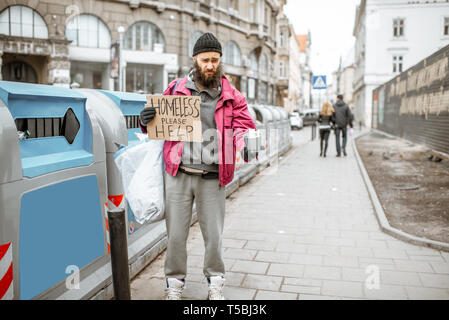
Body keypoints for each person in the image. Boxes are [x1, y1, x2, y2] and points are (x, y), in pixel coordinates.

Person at [139, 32, 256, 300]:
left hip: (213, 177)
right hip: (178, 174)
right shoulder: (176, 88)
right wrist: (145, 121)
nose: (211, 65)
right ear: (195, 60)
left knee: (213, 237)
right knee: (175, 236)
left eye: (215, 60)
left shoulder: (232, 96)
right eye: (205, 60)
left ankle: (215, 284)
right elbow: (157, 124)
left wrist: (246, 145)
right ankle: (174, 285)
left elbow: (244, 128)